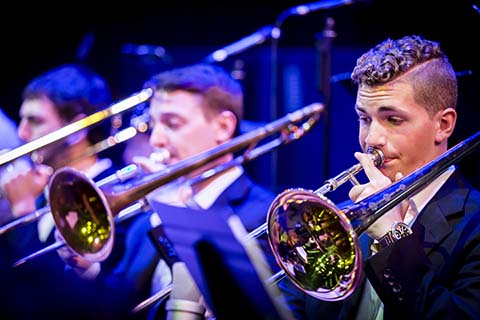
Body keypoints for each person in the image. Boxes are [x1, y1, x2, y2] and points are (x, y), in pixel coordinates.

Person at [58, 63, 287, 319]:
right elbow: (117, 305)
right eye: (154, 124)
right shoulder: (146, 220)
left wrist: (175, 214)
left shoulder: (268, 217)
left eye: (172, 124)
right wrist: (86, 268)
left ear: (223, 127)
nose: (156, 139)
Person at [278, 35, 480, 319]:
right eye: (365, 118)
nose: (372, 138)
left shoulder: (475, 222)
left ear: (443, 125)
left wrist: (390, 239)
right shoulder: (344, 220)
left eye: (393, 120)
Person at [0, 64, 132, 319]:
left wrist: (23, 213)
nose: (21, 133)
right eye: (22, 119)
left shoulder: (116, 194)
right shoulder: (39, 186)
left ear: (77, 129)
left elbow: (62, 297)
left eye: (35, 121)